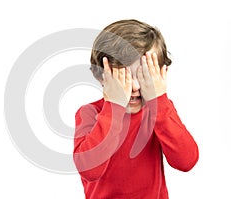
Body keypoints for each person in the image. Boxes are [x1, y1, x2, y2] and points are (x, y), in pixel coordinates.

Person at [73, 19, 199, 199]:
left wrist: (159, 101)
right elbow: (89, 171)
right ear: (101, 77)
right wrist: (114, 107)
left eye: (144, 76)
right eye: (122, 76)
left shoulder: (160, 111)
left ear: (160, 76)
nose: (134, 86)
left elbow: (186, 161)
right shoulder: (90, 113)